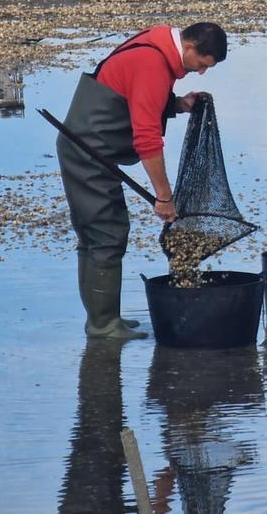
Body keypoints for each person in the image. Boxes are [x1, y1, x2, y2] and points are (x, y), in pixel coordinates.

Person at [57, 22, 227, 339]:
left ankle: (103, 317)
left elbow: (135, 93)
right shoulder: (153, 65)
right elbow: (146, 139)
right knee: (107, 233)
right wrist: (164, 196)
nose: (201, 73)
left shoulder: (160, 41)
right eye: (202, 65)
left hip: (88, 145)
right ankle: (103, 326)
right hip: (87, 151)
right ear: (190, 48)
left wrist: (178, 104)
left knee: (94, 235)